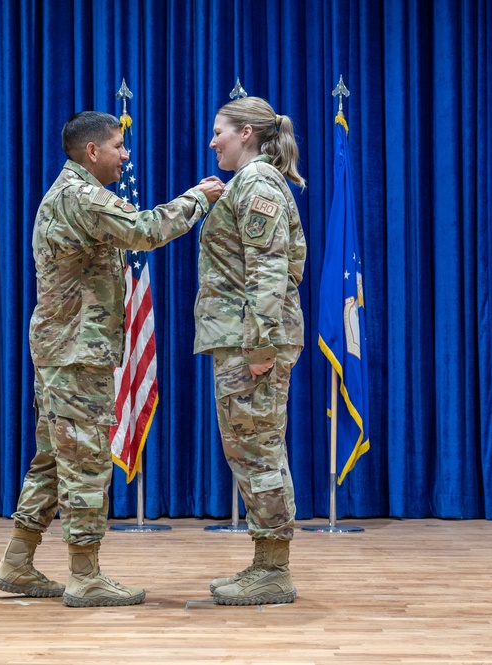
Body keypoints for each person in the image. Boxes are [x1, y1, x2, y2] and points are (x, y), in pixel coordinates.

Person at [0, 111, 224, 607]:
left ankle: (17, 562)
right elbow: (143, 230)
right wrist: (196, 199)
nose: (126, 155)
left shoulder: (71, 192)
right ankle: (84, 575)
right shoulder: (80, 195)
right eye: (118, 146)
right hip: (76, 353)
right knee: (87, 464)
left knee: (54, 460)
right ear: (91, 151)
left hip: (67, 348)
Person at [194, 96, 307, 605]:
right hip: (242, 338)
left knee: (257, 450)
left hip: (252, 343)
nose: (212, 140)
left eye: (218, 131)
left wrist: (260, 345)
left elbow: (268, 270)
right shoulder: (248, 185)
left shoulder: (257, 183)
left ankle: (274, 570)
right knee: (254, 449)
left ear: (245, 133)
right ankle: (266, 562)